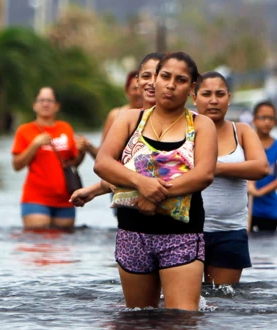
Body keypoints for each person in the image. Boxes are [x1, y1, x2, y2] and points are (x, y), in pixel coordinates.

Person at [93, 52, 217, 311]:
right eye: (165, 76)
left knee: (181, 322)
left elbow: (204, 174)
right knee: (139, 320)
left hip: (181, 233)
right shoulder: (130, 119)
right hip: (132, 232)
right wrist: (141, 183)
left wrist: (155, 193)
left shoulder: (202, 125)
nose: (171, 84)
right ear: (155, 80)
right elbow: (103, 163)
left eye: (181, 80)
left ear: (192, 88)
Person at [192, 72, 269, 285]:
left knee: (225, 303)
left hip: (230, 231)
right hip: (187, 231)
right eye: (206, 94)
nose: (214, 100)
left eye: (220, 94)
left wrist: (214, 168)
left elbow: (261, 167)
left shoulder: (242, 131)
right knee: (182, 306)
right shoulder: (183, 130)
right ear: (194, 97)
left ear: (229, 97)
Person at [71, 52, 164, 206]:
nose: (152, 83)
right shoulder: (120, 116)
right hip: (122, 194)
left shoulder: (188, 122)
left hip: (170, 210)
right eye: (146, 76)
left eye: (158, 76)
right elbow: (104, 161)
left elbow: (180, 171)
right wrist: (95, 189)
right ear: (133, 86)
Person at [11, 87, 85, 229]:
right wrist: (34, 145)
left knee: (64, 241)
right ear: (35, 105)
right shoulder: (24, 131)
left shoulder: (65, 128)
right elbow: (16, 165)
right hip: (35, 199)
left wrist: (82, 151)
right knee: (38, 237)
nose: (46, 104)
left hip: (64, 199)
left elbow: (74, 163)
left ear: (57, 106)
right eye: (42, 100)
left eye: (50, 101)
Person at [81, 70, 142, 158]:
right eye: (134, 88)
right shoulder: (115, 115)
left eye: (141, 88)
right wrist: (88, 146)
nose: (139, 93)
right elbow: (102, 155)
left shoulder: (154, 114)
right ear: (126, 90)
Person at [248, 101, 277, 231]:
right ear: (254, 120)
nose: (267, 122)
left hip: (269, 210)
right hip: (246, 209)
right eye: (262, 117)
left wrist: (259, 192)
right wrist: (249, 186)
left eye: (271, 118)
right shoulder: (245, 144)